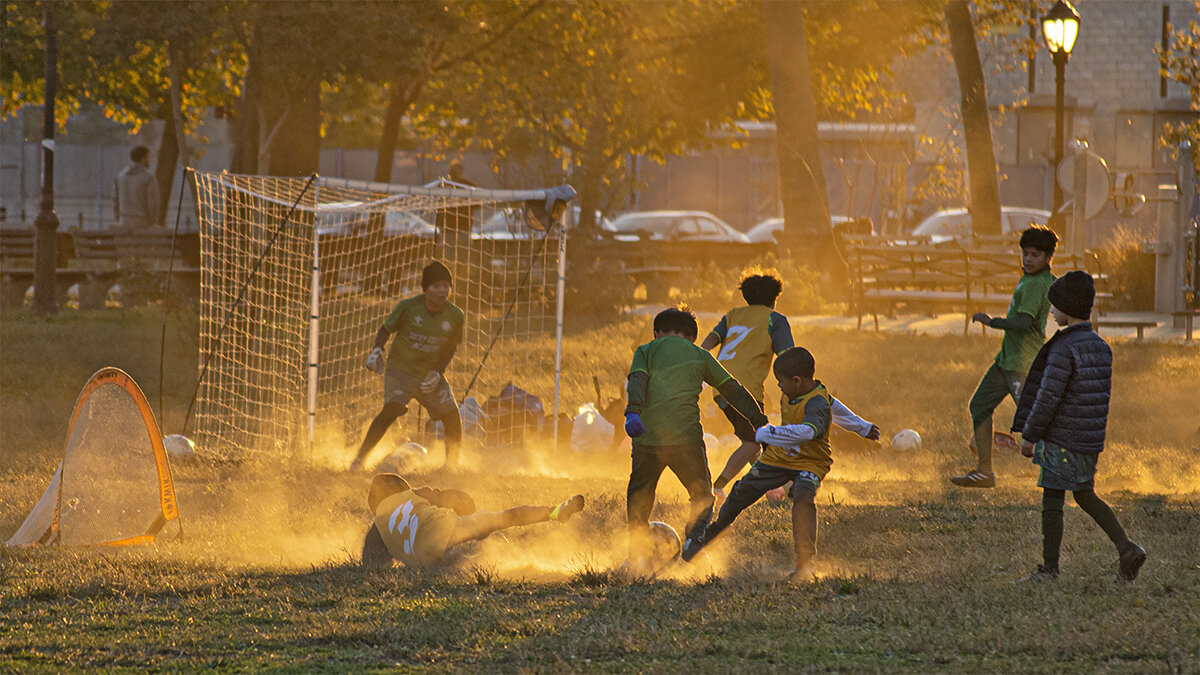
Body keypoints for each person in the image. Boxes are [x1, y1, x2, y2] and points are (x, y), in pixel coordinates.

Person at [700, 268, 880, 504]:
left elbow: (711, 339)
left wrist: (698, 357)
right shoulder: (775, 319)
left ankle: (770, 484)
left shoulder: (733, 314)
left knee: (759, 441)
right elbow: (789, 358)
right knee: (755, 441)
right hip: (745, 390)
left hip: (720, 385)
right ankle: (718, 488)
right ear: (775, 298)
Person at [1011, 271, 1145, 583]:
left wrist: (1030, 435)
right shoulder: (1100, 344)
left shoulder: (1063, 348)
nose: (1051, 311)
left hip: (1062, 439)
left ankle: (1049, 569)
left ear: (1066, 309)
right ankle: (1127, 548)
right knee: (1085, 494)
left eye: (1054, 306)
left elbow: (1048, 397)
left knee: (1052, 496)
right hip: (1089, 438)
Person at [624, 306, 768, 573]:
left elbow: (637, 382)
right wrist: (759, 421)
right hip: (686, 440)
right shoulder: (700, 355)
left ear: (657, 333)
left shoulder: (645, 351)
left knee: (640, 496)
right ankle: (693, 540)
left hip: (647, 439)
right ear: (692, 337)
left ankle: (636, 557)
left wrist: (633, 411)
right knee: (701, 494)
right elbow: (734, 390)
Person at [683, 347, 832, 582]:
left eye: (780, 382)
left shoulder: (818, 403)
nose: (778, 387)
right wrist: (863, 427)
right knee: (740, 493)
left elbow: (809, 431)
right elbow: (842, 411)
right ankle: (707, 538)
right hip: (778, 458)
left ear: (796, 381)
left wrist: (769, 433)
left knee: (804, 497)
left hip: (811, 462)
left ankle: (804, 563)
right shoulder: (792, 394)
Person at [951, 225, 1059, 488]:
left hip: (1023, 365)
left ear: (1047, 258)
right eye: (1025, 254)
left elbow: (1022, 322)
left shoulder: (1037, 284)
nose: (1028, 260)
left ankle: (1060, 472)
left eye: (1035, 255)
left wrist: (992, 321)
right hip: (1006, 361)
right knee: (979, 406)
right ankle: (984, 472)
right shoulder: (1030, 279)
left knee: (1035, 422)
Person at [350, 261, 465, 471]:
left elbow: (450, 348)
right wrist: (377, 350)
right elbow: (385, 330)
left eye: (446, 285)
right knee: (392, 409)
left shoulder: (456, 315)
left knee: (452, 415)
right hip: (401, 369)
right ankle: (359, 459)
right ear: (426, 288)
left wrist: (438, 372)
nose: (442, 291)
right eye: (437, 286)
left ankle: (452, 465)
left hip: (429, 373)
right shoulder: (408, 307)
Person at [361, 473, 585, 569]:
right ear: (402, 488)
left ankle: (483, 562)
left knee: (456, 563)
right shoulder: (414, 494)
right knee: (503, 518)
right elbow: (454, 497)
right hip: (446, 528)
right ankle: (554, 512)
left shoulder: (376, 529)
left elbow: (371, 564)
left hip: (424, 558)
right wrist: (471, 514)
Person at [113, 145, 160, 231]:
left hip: (123, 221)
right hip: (142, 222)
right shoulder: (149, 177)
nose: (149, 161)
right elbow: (153, 203)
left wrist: (119, 218)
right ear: (143, 159)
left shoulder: (120, 176)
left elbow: (115, 201)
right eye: (148, 157)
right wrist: (152, 221)